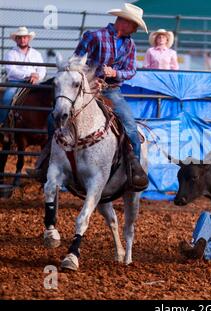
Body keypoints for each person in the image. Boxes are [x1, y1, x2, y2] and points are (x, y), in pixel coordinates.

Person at [28, 3, 148, 191]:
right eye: (134, 25)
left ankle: (135, 169)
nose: (135, 29)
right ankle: (46, 161)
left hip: (111, 89)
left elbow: (131, 69)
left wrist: (115, 73)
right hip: (85, 88)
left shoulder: (129, 44)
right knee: (55, 119)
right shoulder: (94, 37)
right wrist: (94, 77)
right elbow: (76, 61)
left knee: (129, 124)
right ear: (124, 22)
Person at [1, 26, 46, 126]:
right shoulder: (11, 54)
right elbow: (11, 70)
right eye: (20, 37)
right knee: (7, 99)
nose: (22, 40)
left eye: (25, 37)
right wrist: (29, 75)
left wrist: (37, 76)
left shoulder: (36, 54)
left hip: (34, 81)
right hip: (16, 82)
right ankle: (2, 124)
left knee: (48, 98)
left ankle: (52, 129)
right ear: (16, 39)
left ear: (28, 38)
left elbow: (42, 69)